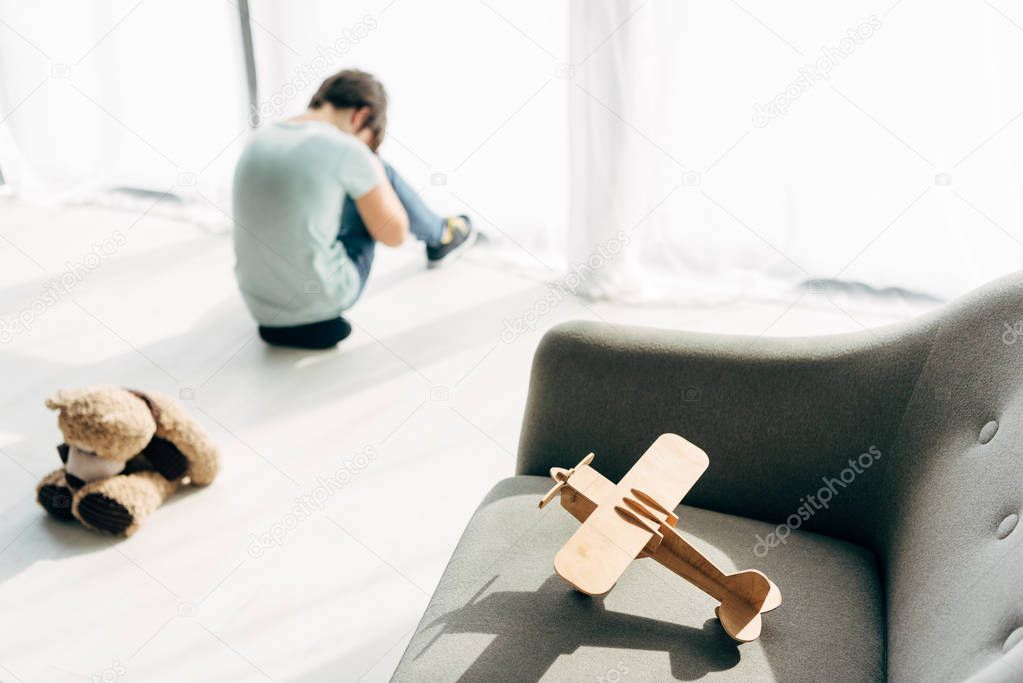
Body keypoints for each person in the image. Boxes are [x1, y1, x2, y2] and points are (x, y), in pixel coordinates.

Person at [232, 69, 475, 350]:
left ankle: (440, 232)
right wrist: (372, 164)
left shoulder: (261, 138)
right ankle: (442, 235)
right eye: (370, 142)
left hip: (260, 308)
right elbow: (395, 235)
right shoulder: (346, 149)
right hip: (323, 302)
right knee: (378, 173)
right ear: (361, 115)